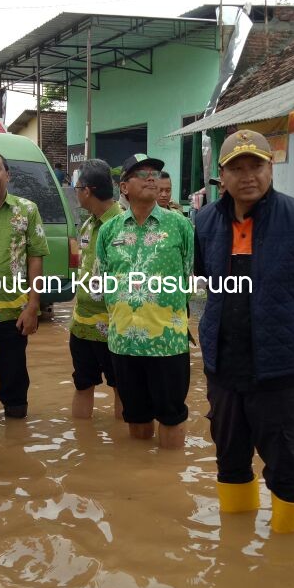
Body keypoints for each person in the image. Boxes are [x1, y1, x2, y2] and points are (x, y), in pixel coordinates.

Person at [194, 130, 294, 534]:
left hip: (280, 369)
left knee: (285, 463)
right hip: (223, 366)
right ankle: (234, 546)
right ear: (221, 176)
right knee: (229, 458)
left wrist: (278, 316)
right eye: (236, 168)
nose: (248, 176)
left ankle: (285, 546)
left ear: (270, 168)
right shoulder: (204, 222)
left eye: (256, 165)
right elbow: (207, 283)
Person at [95, 153, 194, 449]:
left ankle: (169, 473)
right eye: (142, 173)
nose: (151, 178)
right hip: (124, 342)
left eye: (155, 173)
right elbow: (102, 280)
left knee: (172, 417)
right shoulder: (109, 230)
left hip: (167, 342)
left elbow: (189, 275)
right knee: (136, 418)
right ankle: (138, 473)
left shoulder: (179, 225)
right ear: (124, 187)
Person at [0, 149, 49, 420]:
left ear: (8, 174)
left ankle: (16, 431)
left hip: (15, 313)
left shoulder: (27, 210)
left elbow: (35, 258)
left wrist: (33, 306)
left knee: (15, 381)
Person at [69, 159, 123, 420]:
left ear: (87, 191)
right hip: (81, 326)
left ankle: (124, 443)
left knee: (121, 389)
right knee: (82, 385)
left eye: (77, 188)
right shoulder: (88, 224)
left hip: (114, 326)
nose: (75, 193)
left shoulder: (124, 225)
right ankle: (83, 439)